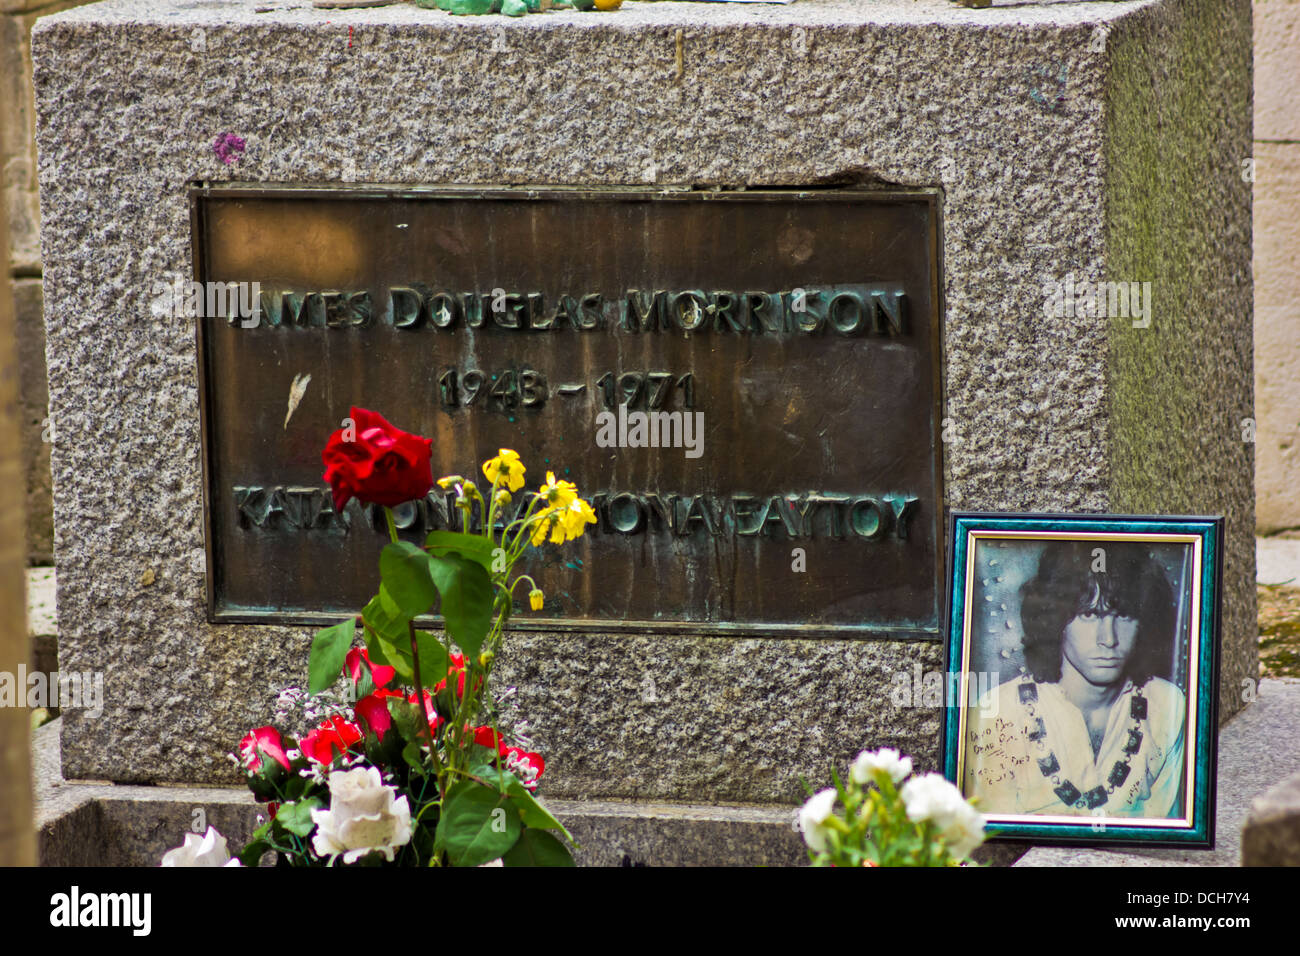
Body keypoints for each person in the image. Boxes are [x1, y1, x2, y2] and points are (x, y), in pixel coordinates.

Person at [964, 541, 1186, 819]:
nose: (1108, 639)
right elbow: (987, 843)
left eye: (1125, 615)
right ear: (1055, 619)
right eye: (1090, 615)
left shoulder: (1168, 705)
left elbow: (1164, 836)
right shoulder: (997, 713)